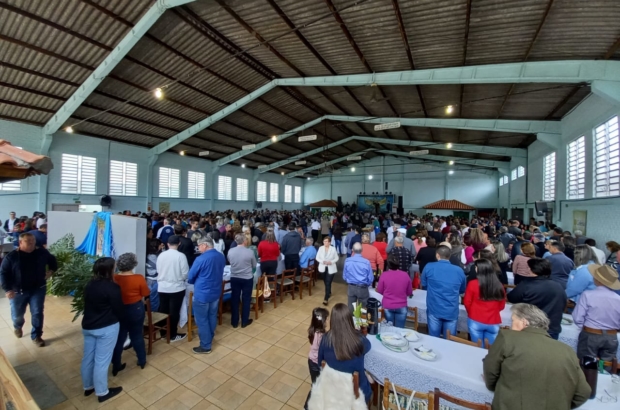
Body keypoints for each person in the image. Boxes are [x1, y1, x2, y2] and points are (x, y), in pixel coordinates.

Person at [483, 303, 590, 410]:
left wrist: (493, 386)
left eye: (513, 320)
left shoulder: (507, 337)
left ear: (524, 322)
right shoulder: (568, 351)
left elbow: (490, 371)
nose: (511, 326)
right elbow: (584, 392)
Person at [0, 232, 57, 346]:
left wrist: (51, 270)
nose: (31, 243)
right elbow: (3, 273)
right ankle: (18, 326)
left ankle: (36, 336)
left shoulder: (41, 252)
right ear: (20, 242)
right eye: (28, 241)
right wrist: (8, 289)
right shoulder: (11, 257)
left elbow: (52, 260)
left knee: (37, 312)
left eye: (33, 240)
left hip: (38, 289)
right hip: (17, 291)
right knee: (17, 315)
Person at [80, 257, 124, 403]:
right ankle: (102, 392)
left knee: (88, 358)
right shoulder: (112, 287)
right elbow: (118, 308)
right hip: (106, 327)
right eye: (115, 267)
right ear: (110, 270)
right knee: (102, 360)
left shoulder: (89, 285)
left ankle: (88, 387)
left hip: (88, 326)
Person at [317, 303, 372, 403]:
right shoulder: (359, 340)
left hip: (333, 391)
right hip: (357, 394)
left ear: (333, 321)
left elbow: (320, 362)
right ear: (349, 320)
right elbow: (369, 347)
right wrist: (356, 332)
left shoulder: (325, 338)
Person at [507, 258, 566, 340]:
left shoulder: (526, 284)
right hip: (552, 327)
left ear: (533, 270)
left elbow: (512, 298)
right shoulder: (558, 286)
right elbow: (563, 303)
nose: (527, 269)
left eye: (529, 267)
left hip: (531, 328)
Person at [111, 253, 149, 376]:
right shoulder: (138, 278)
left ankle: (116, 364)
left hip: (119, 309)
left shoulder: (114, 278)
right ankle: (142, 360)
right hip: (135, 308)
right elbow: (145, 293)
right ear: (133, 264)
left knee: (119, 337)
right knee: (137, 335)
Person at [572, 264, 620, 361]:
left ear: (597, 280)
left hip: (590, 334)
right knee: (606, 368)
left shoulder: (588, 295)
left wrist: (586, 327)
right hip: (611, 336)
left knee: (586, 365)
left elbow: (577, 318)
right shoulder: (618, 299)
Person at [188, 237, 226, 354]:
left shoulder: (200, 259)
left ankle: (205, 345)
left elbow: (190, 277)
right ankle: (209, 337)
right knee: (212, 315)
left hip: (202, 293)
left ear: (204, 245)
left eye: (199, 246)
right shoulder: (220, 256)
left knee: (202, 320)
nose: (198, 248)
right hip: (215, 291)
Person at [421, 245, 466, 338]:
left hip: (434, 307)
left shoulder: (429, 267)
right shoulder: (459, 270)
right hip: (451, 309)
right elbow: (462, 289)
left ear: (437, 255)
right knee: (449, 340)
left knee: (433, 338)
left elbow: (424, 285)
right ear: (449, 256)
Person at [463, 259, 506, 346]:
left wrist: (471, 312)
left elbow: (467, 302)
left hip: (475, 319)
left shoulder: (472, 284)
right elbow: (502, 305)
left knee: (478, 348)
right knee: (490, 349)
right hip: (493, 321)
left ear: (478, 269)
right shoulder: (499, 285)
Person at [156, 235, 189, 342]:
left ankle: (163, 332)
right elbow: (185, 273)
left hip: (162, 287)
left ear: (167, 244)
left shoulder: (161, 255)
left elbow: (158, 270)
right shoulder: (181, 256)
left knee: (163, 310)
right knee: (174, 312)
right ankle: (172, 335)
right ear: (179, 243)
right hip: (176, 288)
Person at [228, 233, 257, 328]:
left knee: (235, 299)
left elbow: (230, 262)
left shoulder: (230, 251)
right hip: (247, 278)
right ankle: (244, 321)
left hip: (234, 277)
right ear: (245, 241)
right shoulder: (249, 252)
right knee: (246, 299)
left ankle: (234, 322)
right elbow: (254, 265)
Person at [376, 254, 413, 328]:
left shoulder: (384, 275)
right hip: (402, 305)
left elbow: (379, 290)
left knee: (389, 330)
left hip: (388, 305)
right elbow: (409, 292)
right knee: (400, 330)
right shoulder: (405, 275)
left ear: (388, 265)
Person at [304, 307, 329, 409]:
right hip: (316, 363)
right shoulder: (321, 336)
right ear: (322, 321)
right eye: (327, 318)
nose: (328, 320)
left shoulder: (313, 330)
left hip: (311, 361)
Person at [343, 243, 374, 311]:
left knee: (351, 308)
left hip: (351, 287)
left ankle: (351, 321)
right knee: (363, 309)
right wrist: (366, 284)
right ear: (362, 250)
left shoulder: (347, 260)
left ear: (353, 250)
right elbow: (370, 278)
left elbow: (344, 276)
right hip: (363, 288)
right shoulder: (366, 262)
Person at [316, 236, 339, 306]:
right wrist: (322, 261)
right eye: (324, 241)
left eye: (326, 241)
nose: (325, 243)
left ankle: (326, 299)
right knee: (325, 281)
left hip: (331, 267)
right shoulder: (320, 248)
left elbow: (336, 258)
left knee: (328, 282)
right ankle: (328, 291)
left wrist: (331, 262)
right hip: (323, 267)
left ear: (329, 242)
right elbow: (317, 257)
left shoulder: (333, 248)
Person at [145, 238, 161, 312]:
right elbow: (159, 268)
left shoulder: (148, 255)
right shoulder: (153, 257)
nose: (161, 246)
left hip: (149, 279)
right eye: (160, 245)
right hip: (153, 280)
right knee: (154, 300)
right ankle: (153, 316)